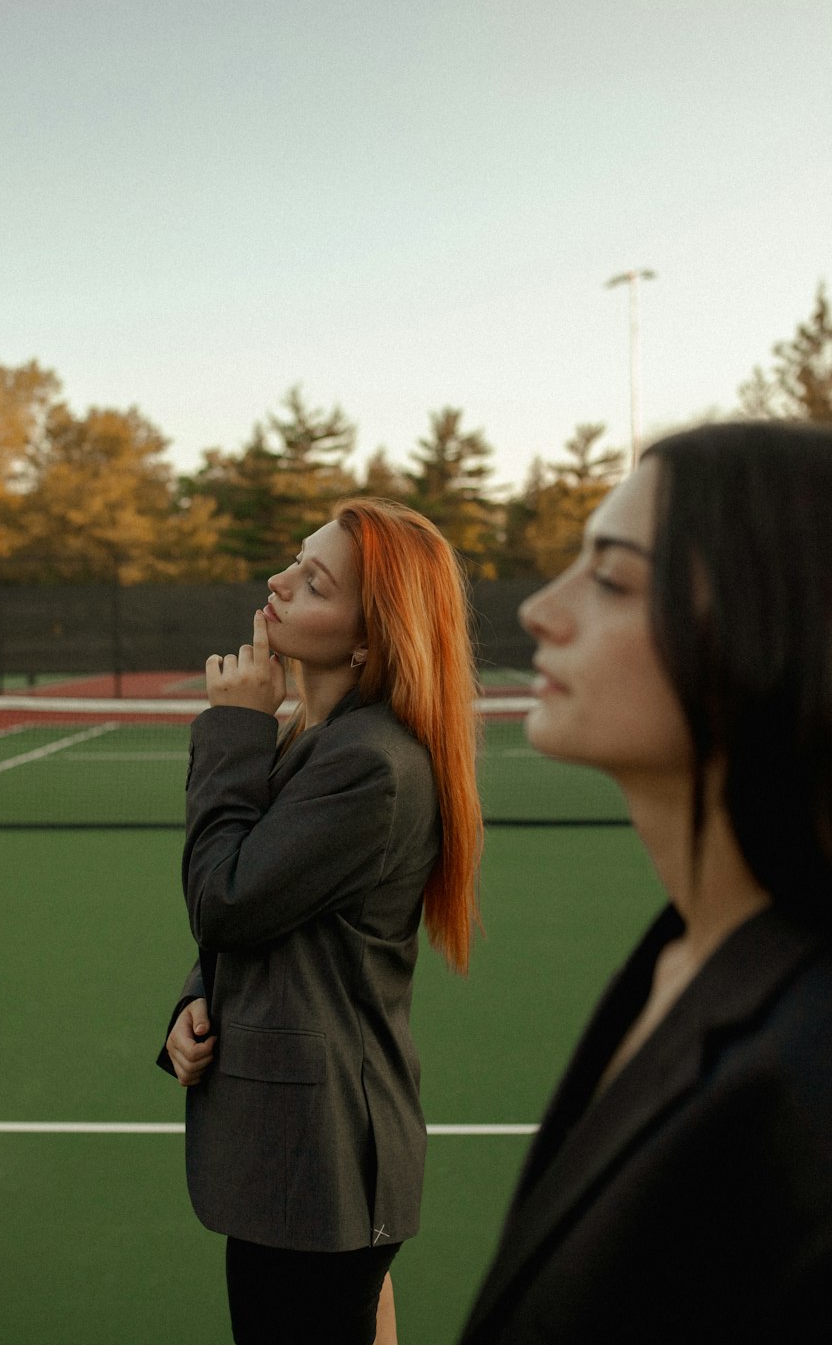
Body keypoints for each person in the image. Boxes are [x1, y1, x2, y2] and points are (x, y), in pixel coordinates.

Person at [459, 420, 832, 1343]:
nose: (540, 610)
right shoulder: (681, 954)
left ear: (772, 626)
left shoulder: (813, 1086)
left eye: (615, 578)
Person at [158, 498, 483, 1345]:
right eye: (294, 563)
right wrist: (198, 1000)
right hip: (303, 1163)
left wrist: (233, 727)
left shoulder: (367, 764)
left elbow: (225, 899)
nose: (278, 583)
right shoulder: (318, 735)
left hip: (318, 1163)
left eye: (313, 582)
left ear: (369, 638)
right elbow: (281, 915)